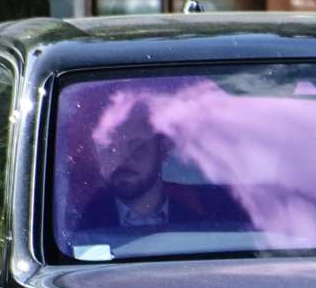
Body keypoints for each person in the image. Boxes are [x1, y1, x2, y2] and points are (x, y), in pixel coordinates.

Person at [71, 97, 244, 234]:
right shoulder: (75, 230)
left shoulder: (205, 226)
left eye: (135, 146)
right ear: (96, 154)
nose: (122, 159)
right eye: (109, 148)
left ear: (162, 149)